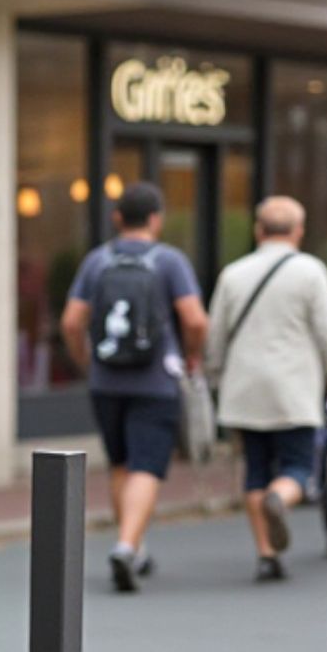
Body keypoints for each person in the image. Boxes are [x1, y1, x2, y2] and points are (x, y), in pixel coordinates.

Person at [61, 182, 208, 592]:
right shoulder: (170, 261)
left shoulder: (97, 261)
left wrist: (86, 360)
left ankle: (134, 546)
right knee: (147, 464)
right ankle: (127, 546)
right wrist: (191, 356)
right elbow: (195, 319)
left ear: (118, 218)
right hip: (155, 380)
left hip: (106, 381)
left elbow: (72, 321)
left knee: (121, 463)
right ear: (156, 219)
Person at [205, 196, 327, 582]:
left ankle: (267, 553)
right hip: (294, 388)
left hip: (244, 388)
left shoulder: (233, 274)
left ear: (258, 229)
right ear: (298, 231)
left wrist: (216, 377)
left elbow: (215, 335)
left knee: (254, 468)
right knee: (297, 466)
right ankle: (281, 498)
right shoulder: (310, 272)